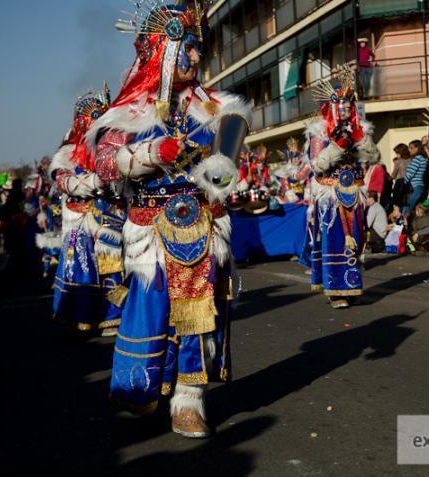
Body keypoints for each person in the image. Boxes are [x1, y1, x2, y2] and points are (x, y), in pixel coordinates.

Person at [88, 1, 251, 438]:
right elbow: (103, 162)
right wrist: (146, 155)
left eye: (198, 48)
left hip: (201, 226)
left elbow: (228, 167)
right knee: (153, 309)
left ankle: (188, 401)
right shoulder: (129, 112)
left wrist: (219, 178)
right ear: (163, 50)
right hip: (151, 230)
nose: (197, 58)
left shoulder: (216, 108)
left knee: (200, 315)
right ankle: (144, 387)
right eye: (189, 48)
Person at [47, 86, 125, 336]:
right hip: (81, 220)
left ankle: (112, 317)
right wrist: (92, 183)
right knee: (81, 269)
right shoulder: (69, 151)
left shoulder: (111, 147)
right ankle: (80, 318)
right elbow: (61, 179)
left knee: (114, 268)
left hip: (111, 217)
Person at [305, 65, 378, 309]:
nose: (346, 108)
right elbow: (316, 166)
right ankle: (336, 290)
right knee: (335, 241)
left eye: (350, 103)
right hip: (330, 195)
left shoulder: (360, 130)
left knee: (355, 241)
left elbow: (373, 158)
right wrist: (336, 147)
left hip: (353, 192)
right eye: (342, 104)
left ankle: (352, 286)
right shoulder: (320, 132)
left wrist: (360, 139)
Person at [403, 140, 428, 215]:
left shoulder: (417, 159)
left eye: (411, 148)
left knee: (406, 210)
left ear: (417, 148)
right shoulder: (423, 158)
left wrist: (402, 184)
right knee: (417, 211)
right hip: (419, 187)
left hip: (414, 187)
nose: (409, 150)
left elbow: (410, 174)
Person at [390, 143, 410, 209]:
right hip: (410, 185)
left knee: (398, 206)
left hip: (400, 185)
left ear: (401, 152)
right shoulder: (411, 160)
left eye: (397, 153)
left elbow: (393, 175)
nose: (396, 155)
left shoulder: (398, 162)